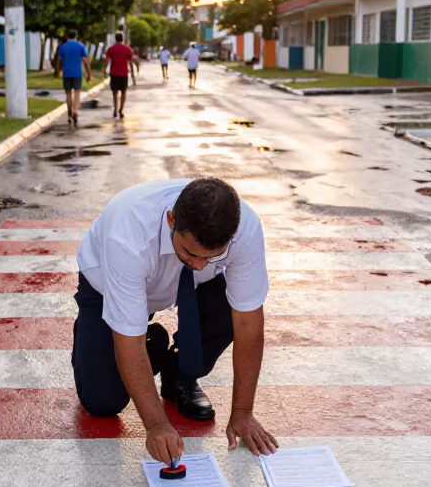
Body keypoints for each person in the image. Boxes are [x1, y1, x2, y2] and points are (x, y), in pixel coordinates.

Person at [72, 177, 279, 465]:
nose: (199, 264)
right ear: (171, 220)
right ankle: (141, 339)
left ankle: (178, 374)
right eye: (191, 253)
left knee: (232, 304)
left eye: (213, 256)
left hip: (189, 289)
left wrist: (243, 412)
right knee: (102, 402)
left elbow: (248, 321)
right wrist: (156, 424)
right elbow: (128, 341)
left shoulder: (244, 229)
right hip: (108, 289)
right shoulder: (128, 233)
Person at [55, 29, 89, 126]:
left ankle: (69, 112)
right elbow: (85, 60)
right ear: (76, 36)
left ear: (67, 36)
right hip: (77, 73)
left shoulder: (63, 47)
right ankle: (75, 111)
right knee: (77, 93)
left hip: (67, 73)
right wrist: (88, 73)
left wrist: (57, 71)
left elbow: (59, 60)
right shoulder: (81, 46)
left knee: (68, 94)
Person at [104, 32, 137, 119]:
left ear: (115, 39)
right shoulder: (127, 49)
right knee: (123, 92)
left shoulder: (111, 49)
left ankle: (115, 109)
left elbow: (106, 61)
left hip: (114, 73)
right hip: (123, 74)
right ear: (122, 39)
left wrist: (104, 71)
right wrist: (133, 76)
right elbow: (131, 62)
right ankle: (121, 110)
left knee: (114, 93)